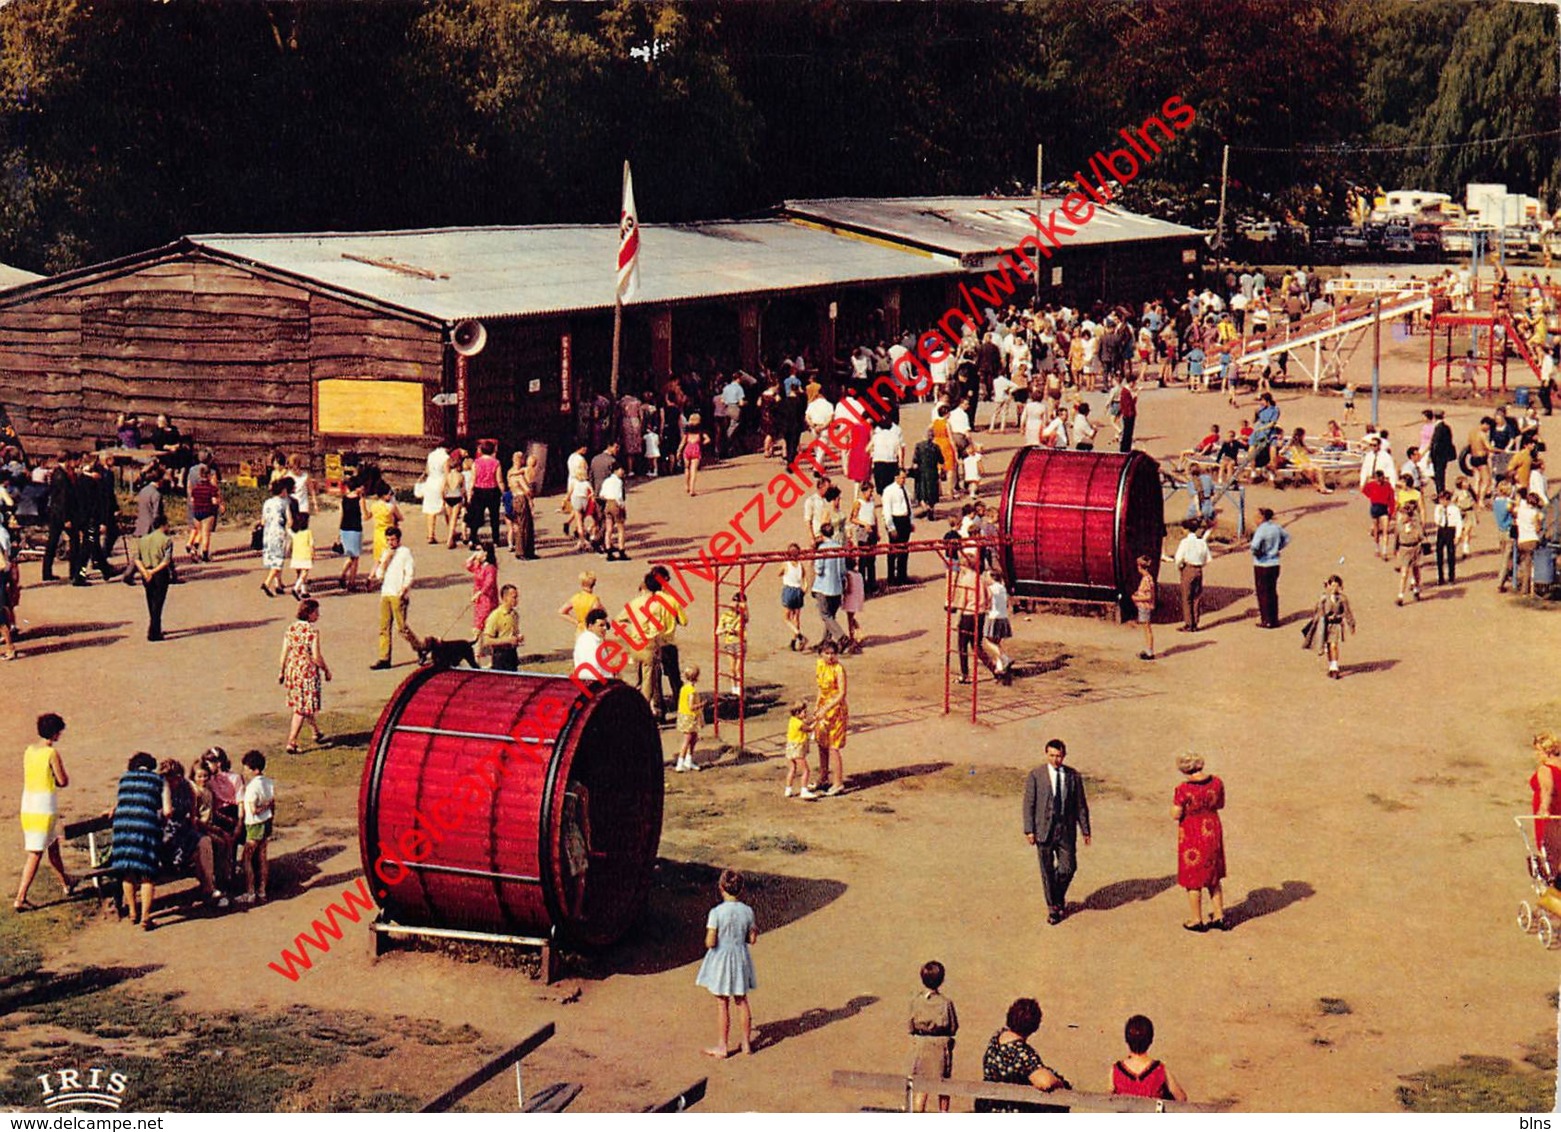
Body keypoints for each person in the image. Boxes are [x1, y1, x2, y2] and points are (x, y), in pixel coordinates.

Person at [1023, 739, 1092, 925]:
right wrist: (1029, 830)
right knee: (1046, 871)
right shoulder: (1036, 775)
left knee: (1068, 867)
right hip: (1043, 830)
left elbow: (1081, 805)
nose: (1055, 759)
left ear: (1064, 755)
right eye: (1052, 755)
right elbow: (1029, 804)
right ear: (1046, 754)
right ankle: (1054, 908)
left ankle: (1057, 894)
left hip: (1065, 830)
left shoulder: (1073, 776)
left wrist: (1085, 829)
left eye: (1059, 756)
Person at [15, 713, 77, 911]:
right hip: (44, 807)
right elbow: (63, 780)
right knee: (36, 853)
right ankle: (20, 897)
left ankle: (66, 882)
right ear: (56, 733)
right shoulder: (51, 753)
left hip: (28, 805)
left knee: (53, 846)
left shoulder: (29, 750)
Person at [695, 868, 758, 1059]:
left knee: (722, 1003)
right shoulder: (748, 911)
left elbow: (710, 942)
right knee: (741, 1000)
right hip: (740, 958)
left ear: (721, 888)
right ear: (741, 889)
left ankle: (723, 1046)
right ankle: (746, 1043)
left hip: (721, 960)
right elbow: (752, 939)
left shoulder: (716, 913)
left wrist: (710, 940)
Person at [975, 998, 1069, 1111]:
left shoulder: (995, 1041)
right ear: (1035, 1026)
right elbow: (1045, 1082)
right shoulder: (1022, 1053)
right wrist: (1060, 1083)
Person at [159, 759, 226, 907]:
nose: (174, 780)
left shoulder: (185, 786)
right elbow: (166, 812)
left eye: (176, 777)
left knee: (204, 842)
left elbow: (193, 811)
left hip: (182, 834)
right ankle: (209, 889)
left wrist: (195, 828)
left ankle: (209, 887)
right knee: (201, 848)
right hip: (164, 838)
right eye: (170, 777)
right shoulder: (158, 787)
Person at [1172, 753, 1227, 932]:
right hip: (1212, 830)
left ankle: (1197, 919)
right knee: (1213, 875)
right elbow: (1220, 805)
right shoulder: (1217, 782)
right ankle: (1219, 915)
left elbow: (1176, 814)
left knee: (1193, 878)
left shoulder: (1183, 789)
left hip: (1192, 833)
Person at [110, 753, 164, 929]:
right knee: (147, 874)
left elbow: (119, 803)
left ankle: (133, 912)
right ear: (151, 766)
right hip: (145, 828)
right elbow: (168, 810)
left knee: (128, 871)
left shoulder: (124, 779)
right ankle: (145, 917)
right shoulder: (158, 780)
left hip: (123, 829)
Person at [279, 599, 331, 753]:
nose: (318, 615)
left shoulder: (291, 629)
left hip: (293, 670)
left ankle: (316, 732)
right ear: (309, 613)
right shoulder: (312, 632)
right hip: (307, 672)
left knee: (303, 703)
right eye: (316, 612)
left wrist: (281, 671)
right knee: (301, 708)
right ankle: (292, 741)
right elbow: (316, 656)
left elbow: (284, 653)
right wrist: (326, 670)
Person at [908, 960, 960, 1113]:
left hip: (921, 1044)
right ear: (942, 980)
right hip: (940, 1046)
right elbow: (953, 1026)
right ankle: (943, 1114)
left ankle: (918, 1115)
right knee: (943, 1084)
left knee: (921, 1086)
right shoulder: (946, 1003)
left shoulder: (916, 1000)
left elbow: (910, 1025)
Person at [369, 527, 418, 670]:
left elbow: (410, 572)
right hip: (386, 593)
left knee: (402, 628)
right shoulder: (385, 552)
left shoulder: (405, 553)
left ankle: (419, 647)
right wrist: (384, 562)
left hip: (398, 594)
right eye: (388, 539)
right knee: (384, 627)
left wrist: (405, 588)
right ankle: (384, 658)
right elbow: (379, 575)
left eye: (393, 539)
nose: (390, 542)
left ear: (398, 539)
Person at [1111, 1016, 1188, 1102]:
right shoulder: (1159, 1070)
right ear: (1150, 1040)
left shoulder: (1116, 1071)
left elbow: (1107, 1103)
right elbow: (1181, 1098)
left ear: (1126, 1039)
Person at [237, 750, 274, 904]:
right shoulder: (268, 782)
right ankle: (262, 890)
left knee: (246, 858)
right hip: (266, 823)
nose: (244, 771)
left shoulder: (252, 787)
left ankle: (250, 891)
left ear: (255, 770)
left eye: (246, 768)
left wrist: (262, 807)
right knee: (262, 857)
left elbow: (253, 809)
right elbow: (272, 802)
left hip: (254, 825)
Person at [1302, 574, 1356, 679]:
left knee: (1333, 645)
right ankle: (1332, 666)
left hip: (1336, 625)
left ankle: (1335, 668)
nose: (1334, 588)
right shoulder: (1324, 598)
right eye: (1333, 585)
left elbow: (1347, 612)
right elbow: (1317, 611)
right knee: (1329, 646)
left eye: (1337, 586)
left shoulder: (1342, 599)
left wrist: (1351, 624)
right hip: (1325, 626)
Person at [813, 639, 849, 796]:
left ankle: (838, 782)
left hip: (836, 710)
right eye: (826, 653)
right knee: (821, 743)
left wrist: (827, 707)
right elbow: (820, 688)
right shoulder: (820, 665)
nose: (830, 656)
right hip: (823, 708)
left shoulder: (839, 669)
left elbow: (841, 694)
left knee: (834, 747)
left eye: (833, 653)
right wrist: (817, 706)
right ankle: (822, 777)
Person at [135, 513, 174, 642]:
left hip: (145, 572)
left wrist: (145, 572)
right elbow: (166, 561)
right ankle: (154, 631)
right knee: (158, 602)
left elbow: (136, 559)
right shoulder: (166, 540)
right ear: (163, 525)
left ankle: (155, 626)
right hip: (159, 573)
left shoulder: (143, 540)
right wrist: (153, 571)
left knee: (150, 601)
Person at [1249, 508, 1290, 629]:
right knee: (1272, 591)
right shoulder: (1276, 527)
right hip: (1275, 563)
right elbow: (1287, 538)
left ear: (1262, 518)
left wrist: (1259, 553)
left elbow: (1254, 546)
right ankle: (1274, 619)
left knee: (1262, 592)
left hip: (1262, 564)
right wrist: (1277, 548)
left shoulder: (1261, 531)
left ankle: (1266, 619)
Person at [1167, 520, 1211, 632]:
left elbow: (1178, 558)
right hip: (1198, 569)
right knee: (1196, 597)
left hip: (1188, 568)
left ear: (1186, 529)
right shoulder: (1202, 542)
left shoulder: (1185, 542)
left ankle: (1188, 623)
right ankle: (1195, 623)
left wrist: (1180, 566)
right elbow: (1208, 559)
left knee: (1187, 597)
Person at [1529, 732, 1561, 880]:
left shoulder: (1545, 769)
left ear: (1547, 751)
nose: (1537, 755)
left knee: (1550, 851)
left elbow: (1546, 791)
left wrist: (1543, 809)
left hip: (1550, 820)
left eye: (1538, 751)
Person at [811, 523, 849, 648]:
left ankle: (841, 637)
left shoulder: (822, 549)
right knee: (830, 616)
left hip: (823, 587)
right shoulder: (839, 547)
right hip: (837, 587)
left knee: (825, 615)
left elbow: (819, 569)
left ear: (822, 534)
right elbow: (843, 570)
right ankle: (825, 642)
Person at [466, 439, 503, 549]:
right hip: (492, 491)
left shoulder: (476, 463)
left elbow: (473, 479)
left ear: (481, 450)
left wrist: (469, 493)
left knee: (476, 516)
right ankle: (496, 539)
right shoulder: (496, 463)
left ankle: (472, 538)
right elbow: (499, 479)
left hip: (478, 490)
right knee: (494, 516)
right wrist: (503, 492)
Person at [259, 478, 292, 598]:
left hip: (267, 533)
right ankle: (267, 582)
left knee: (272, 557)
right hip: (279, 533)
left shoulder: (267, 502)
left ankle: (278, 583)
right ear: (283, 491)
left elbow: (263, 521)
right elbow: (290, 521)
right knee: (278, 559)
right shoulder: (284, 503)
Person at [480, 584, 524, 672]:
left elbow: (513, 632)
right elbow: (486, 640)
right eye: (514, 597)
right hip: (500, 656)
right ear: (505, 598)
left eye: (516, 597)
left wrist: (518, 638)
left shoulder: (514, 615)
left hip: (512, 654)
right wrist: (507, 640)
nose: (516, 600)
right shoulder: (495, 616)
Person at [983, 565, 1014, 682]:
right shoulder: (1002, 587)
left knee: (987, 642)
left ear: (992, 577)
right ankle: (1000, 666)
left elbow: (987, 601)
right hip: (1003, 617)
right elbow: (1006, 603)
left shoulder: (991, 588)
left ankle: (1005, 658)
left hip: (993, 617)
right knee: (996, 642)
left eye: (987, 576)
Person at [883, 468, 914, 584]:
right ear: (896, 477)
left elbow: (909, 506)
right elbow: (887, 510)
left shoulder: (905, 489)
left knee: (904, 549)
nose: (903, 480)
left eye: (904, 478)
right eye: (902, 478)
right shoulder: (889, 491)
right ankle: (891, 577)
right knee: (893, 549)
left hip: (905, 520)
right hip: (896, 520)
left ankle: (902, 576)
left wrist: (911, 521)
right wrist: (891, 527)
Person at [336, 473, 365, 593]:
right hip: (355, 529)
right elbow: (366, 515)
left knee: (350, 556)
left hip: (345, 529)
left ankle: (343, 575)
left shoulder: (344, 499)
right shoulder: (360, 500)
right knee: (355, 558)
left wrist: (338, 533)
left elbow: (341, 515)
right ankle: (351, 582)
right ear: (357, 487)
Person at [1393, 499, 1424, 605]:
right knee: (1404, 573)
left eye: (1404, 515)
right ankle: (1400, 596)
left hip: (1415, 548)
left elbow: (1421, 537)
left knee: (1416, 571)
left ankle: (1417, 589)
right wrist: (1395, 550)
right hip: (1404, 549)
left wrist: (1414, 530)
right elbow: (1396, 538)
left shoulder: (1416, 524)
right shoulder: (1399, 525)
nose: (1402, 517)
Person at [466, 543, 499, 639]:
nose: (477, 553)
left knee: (482, 622)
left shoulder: (490, 568)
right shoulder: (479, 566)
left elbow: (489, 583)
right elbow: (468, 566)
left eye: (479, 551)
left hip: (488, 598)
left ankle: (478, 648)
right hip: (479, 599)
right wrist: (472, 557)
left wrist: (479, 593)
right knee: (480, 620)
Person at [783, 700, 815, 800]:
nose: (806, 714)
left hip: (790, 748)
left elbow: (805, 722)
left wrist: (813, 719)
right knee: (806, 770)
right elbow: (809, 728)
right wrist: (816, 723)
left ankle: (788, 789)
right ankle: (804, 790)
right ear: (798, 713)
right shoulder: (799, 724)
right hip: (798, 749)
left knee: (792, 769)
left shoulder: (793, 720)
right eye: (804, 712)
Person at [675, 665, 702, 773]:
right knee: (687, 739)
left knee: (694, 737)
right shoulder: (691, 691)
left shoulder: (683, 688)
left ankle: (688, 760)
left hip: (683, 715)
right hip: (690, 717)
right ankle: (680, 763)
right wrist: (701, 705)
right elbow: (691, 706)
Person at [1132, 554, 1156, 661]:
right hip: (1145, 606)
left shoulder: (1146, 580)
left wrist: (1137, 598)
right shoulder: (1148, 578)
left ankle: (1149, 651)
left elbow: (1149, 596)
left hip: (1144, 606)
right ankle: (1148, 649)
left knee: (1147, 629)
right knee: (1146, 629)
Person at [287, 511, 314, 600]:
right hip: (305, 556)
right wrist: (313, 555)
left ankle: (304, 591)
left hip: (296, 556)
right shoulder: (308, 533)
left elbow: (288, 530)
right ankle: (296, 588)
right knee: (304, 573)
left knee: (299, 573)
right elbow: (311, 545)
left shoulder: (295, 533)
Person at [682, 414, 709, 496]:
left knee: (687, 468)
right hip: (696, 449)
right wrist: (701, 444)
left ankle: (686, 485)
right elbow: (708, 439)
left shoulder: (687, 430)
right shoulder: (700, 430)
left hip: (687, 448)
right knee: (693, 470)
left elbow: (683, 441)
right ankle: (692, 489)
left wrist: (679, 451)